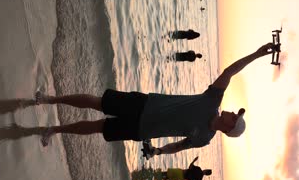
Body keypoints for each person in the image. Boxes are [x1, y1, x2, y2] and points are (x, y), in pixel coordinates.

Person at [34, 42, 275, 158]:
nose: (232, 113)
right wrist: (257, 54)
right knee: (98, 102)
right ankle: (49, 99)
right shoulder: (213, 100)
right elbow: (229, 72)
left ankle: (54, 130)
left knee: (99, 127)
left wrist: (158, 152)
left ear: (230, 127)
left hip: (141, 129)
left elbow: (178, 147)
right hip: (144, 104)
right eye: (235, 113)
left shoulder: (204, 138)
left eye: (235, 117)